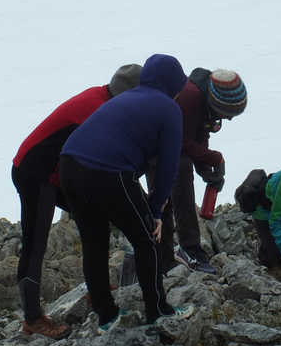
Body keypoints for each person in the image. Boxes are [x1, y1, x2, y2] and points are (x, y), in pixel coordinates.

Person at [59, 54, 193, 331]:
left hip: (69, 164)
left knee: (94, 242)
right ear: (174, 85)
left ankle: (107, 316)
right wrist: (155, 211)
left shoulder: (126, 97)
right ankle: (158, 311)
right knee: (147, 239)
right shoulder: (169, 108)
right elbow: (169, 167)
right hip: (109, 171)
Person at [11, 63, 142, 339]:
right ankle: (33, 318)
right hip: (36, 172)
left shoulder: (105, 100)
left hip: (61, 174)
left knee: (96, 221)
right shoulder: (95, 109)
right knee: (35, 242)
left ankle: (98, 293)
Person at [164, 68, 247, 274]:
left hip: (169, 146)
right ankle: (184, 250)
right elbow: (182, 143)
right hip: (150, 144)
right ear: (217, 104)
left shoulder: (204, 101)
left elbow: (199, 137)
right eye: (227, 114)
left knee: (180, 171)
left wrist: (206, 171)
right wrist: (215, 158)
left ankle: (175, 252)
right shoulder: (189, 97)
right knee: (180, 171)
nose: (228, 120)